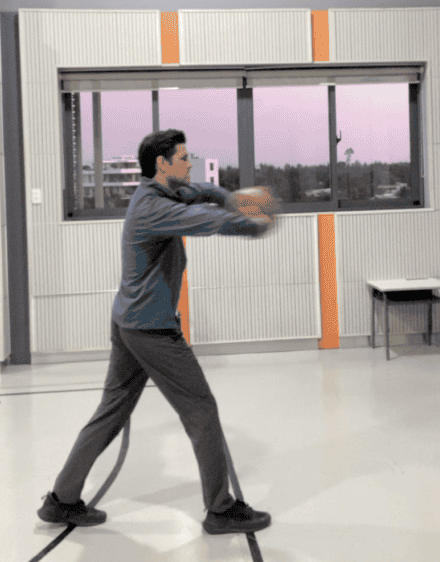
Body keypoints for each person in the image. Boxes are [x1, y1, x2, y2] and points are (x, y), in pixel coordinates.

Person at [38, 129, 275, 534]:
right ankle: (220, 509)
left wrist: (225, 195)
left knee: (111, 412)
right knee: (201, 410)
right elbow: (204, 220)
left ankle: (61, 499)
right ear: (162, 164)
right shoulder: (154, 208)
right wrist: (250, 223)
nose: (188, 162)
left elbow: (196, 192)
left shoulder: (159, 192)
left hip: (129, 321)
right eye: (182, 157)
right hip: (150, 328)